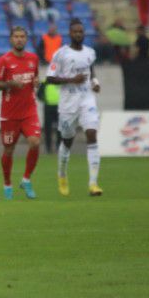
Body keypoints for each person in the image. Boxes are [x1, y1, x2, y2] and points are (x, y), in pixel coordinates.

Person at [46, 18, 102, 197]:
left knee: (92, 135)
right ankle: (62, 174)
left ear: (84, 33)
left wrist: (95, 82)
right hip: (68, 104)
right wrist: (71, 80)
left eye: (81, 31)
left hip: (87, 100)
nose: (78, 34)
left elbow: (91, 69)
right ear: (70, 34)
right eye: (75, 32)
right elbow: (50, 79)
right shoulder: (60, 54)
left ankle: (93, 184)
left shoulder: (90, 52)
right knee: (67, 141)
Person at [0, 26, 42, 200]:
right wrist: (9, 84)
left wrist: (37, 82)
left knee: (35, 142)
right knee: (9, 150)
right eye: (16, 36)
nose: (19, 39)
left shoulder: (33, 59)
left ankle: (26, 179)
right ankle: (7, 184)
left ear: (26, 39)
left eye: (22, 37)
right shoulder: (4, 61)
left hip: (29, 111)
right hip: (9, 114)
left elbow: (35, 77)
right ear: (11, 39)